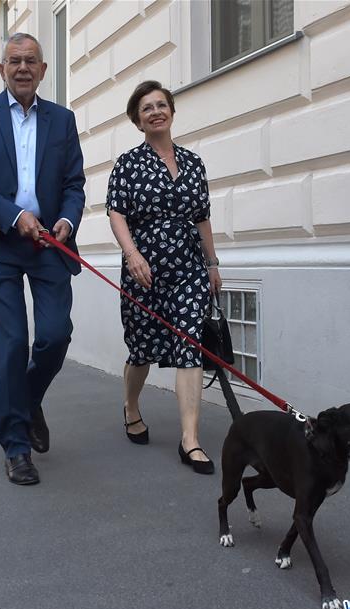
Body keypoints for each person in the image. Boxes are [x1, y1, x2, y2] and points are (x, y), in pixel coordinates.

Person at [0, 32, 85, 485]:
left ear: (44, 70)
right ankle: (16, 447)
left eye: (31, 60)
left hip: (50, 242)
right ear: (2, 69)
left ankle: (27, 400)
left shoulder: (63, 120)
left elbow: (74, 184)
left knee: (55, 334)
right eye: (15, 61)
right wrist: (14, 217)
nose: (23, 68)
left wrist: (67, 221)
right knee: (9, 344)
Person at [106, 80, 223, 475]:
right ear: (138, 121)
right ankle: (131, 406)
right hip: (145, 270)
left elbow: (202, 216)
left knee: (189, 345)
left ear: (171, 111)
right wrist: (132, 254)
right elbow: (116, 213)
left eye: (161, 105)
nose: (155, 111)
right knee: (142, 349)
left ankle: (190, 440)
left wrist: (212, 264)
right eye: (146, 109)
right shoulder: (128, 164)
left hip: (189, 267)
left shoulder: (193, 163)